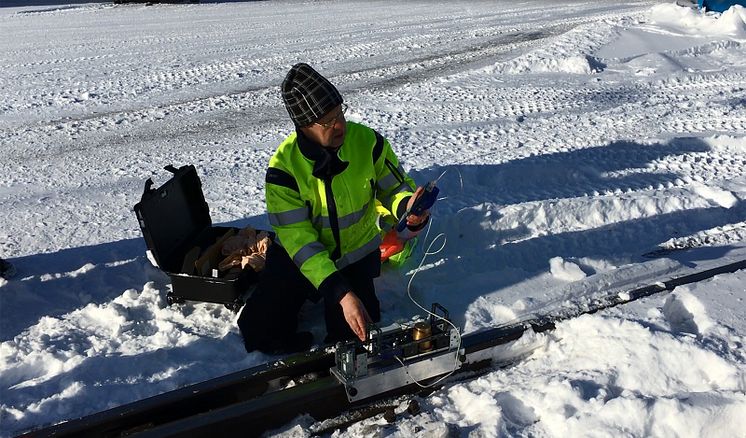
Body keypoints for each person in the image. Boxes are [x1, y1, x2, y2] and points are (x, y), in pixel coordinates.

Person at [238, 63, 430, 354]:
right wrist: (340, 293)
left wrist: (408, 208)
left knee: (356, 336)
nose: (339, 124)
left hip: (355, 257)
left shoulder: (368, 142)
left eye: (340, 113)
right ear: (304, 126)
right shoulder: (283, 170)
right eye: (327, 122)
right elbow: (299, 242)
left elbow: (394, 187)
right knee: (259, 331)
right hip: (302, 260)